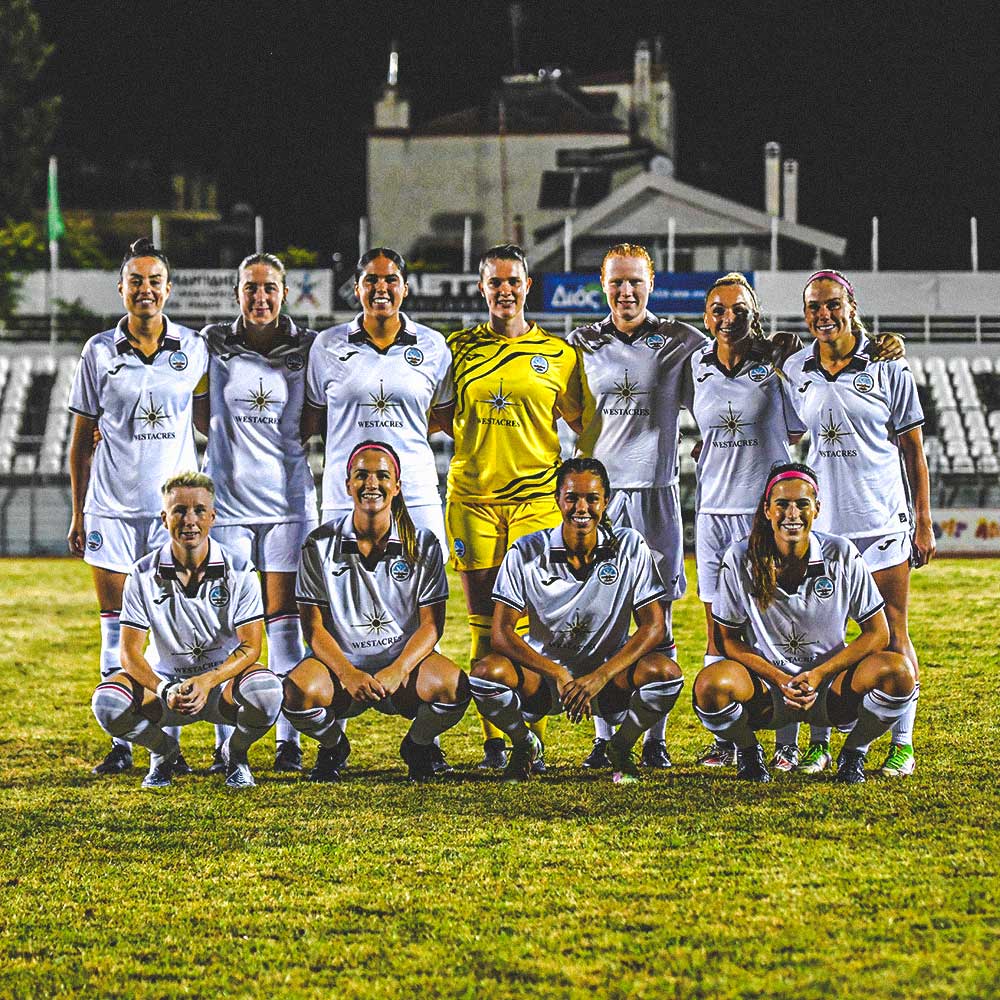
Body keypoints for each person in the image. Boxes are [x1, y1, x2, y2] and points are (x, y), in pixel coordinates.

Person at [301, 247, 454, 773]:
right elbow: (314, 420)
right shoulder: (327, 346)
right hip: (343, 498)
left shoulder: (433, 347)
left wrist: (397, 450)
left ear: (405, 288)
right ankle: (333, 733)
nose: (381, 288)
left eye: (390, 279)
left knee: (423, 607)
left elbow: (443, 418)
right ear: (357, 288)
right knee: (335, 608)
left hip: (415, 496)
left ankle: (420, 734)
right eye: (370, 280)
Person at [781, 270, 933, 777]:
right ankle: (820, 743)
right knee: (823, 633)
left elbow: (913, 450)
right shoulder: (797, 366)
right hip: (825, 527)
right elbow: (785, 431)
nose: (823, 315)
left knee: (893, 631)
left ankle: (903, 745)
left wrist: (923, 521)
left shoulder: (888, 366)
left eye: (831, 305)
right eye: (813, 308)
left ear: (851, 305)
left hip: (882, 518)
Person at [438, 244, 583, 771]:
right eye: (495, 282)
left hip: (535, 504)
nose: (505, 290)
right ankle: (498, 742)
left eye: (513, 281)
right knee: (482, 627)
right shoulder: (454, 349)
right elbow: (430, 417)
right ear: (482, 288)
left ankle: (535, 741)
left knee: (528, 627)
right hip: (472, 501)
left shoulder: (560, 355)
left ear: (528, 286)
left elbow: (587, 425)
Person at [68, 238, 207, 776]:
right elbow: (80, 442)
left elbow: (211, 419)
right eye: (135, 281)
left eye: (154, 281)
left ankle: (164, 744)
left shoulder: (193, 349)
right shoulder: (98, 351)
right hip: (110, 510)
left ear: (168, 289)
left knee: (167, 631)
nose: (145, 289)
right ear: (122, 289)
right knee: (114, 626)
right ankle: (123, 742)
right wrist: (80, 513)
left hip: (170, 517)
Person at [566, 244, 706, 770]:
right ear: (603, 286)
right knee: (600, 618)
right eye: (616, 283)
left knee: (658, 619)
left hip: (657, 496)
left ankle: (653, 738)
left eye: (635, 282)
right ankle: (605, 738)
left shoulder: (681, 342)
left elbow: (723, 392)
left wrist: (708, 439)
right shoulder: (581, 343)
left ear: (652, 284)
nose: (626, 292)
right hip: (598, 504)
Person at [692, 462, 916, 784]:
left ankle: (854, 752)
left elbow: (878, 632)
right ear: (767, 510)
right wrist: (780, 677)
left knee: (898, 673)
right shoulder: (740, 557)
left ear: (817, 508)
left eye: (802, 504)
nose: (792, 513)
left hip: (831, 689)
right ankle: (749, 751)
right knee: (709, 686)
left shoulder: (841, 553)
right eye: (782, 504)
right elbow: (727, 639)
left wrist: (821, 673)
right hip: (769, 691)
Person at [470, 458, 684, 783]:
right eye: (572, 497)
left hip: (608, 681)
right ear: (557, 499)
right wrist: (556, 672)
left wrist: (601, 675)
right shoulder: (526, 551)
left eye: (592, 498)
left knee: (666, 675)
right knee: (485, 676)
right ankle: (525, 744)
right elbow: (501, 633)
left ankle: (621, 747)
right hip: (544, 680)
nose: (581, 507)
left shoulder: (628, 546)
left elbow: (654, 626)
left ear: (605, 502)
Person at [195, 252, 319, 774]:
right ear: (237, 292)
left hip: (289, 505)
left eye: (269, 288)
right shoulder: (212, 344)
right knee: (229, 626)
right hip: (226, 507)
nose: (260, 297)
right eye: (251, 288)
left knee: (286, 625)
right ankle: (229, 742)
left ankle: (288, 740)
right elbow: (200, 414)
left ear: (284, 292)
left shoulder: (308, 347)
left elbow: (313, 419)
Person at [282, 442, 470, 782]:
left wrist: (399, 669)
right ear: (347, 485)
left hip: (403, 674)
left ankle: (418, 744)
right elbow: (313, 628)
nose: (372, 484)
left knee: (453, 686)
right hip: (342, 671)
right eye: (362, 476)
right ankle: (333, 745)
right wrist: (347, 673)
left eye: (383, 476)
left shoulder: (422, 543)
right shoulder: (318, 544)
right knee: (297, 692)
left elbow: (431, 626)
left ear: (397, 486)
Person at [90, 472, 284, 789]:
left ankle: (235, 753)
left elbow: (251, 647)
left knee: (268, 692)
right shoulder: (142, 572)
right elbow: (129, 653)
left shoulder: (239, 569)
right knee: (108, 703)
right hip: (165, 690)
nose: (189, 520)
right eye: (179, 510)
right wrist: (165, 688)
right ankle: (164, 751)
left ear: (212, 516)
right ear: (164, 517)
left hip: (220, 687)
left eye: (198, 510)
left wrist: (207, 681)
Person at [689, 273, 806, 772]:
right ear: (706, 317)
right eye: (718, 309)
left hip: (762, 513)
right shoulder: (696, 366)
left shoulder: (777, 368)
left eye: (739, 310)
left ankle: (787, 741)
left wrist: (786, 364)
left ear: (753, 315)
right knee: (718, 628)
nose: (728, 318)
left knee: (771, 628)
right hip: (712, 513)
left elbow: (801, 427)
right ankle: (728, 734)